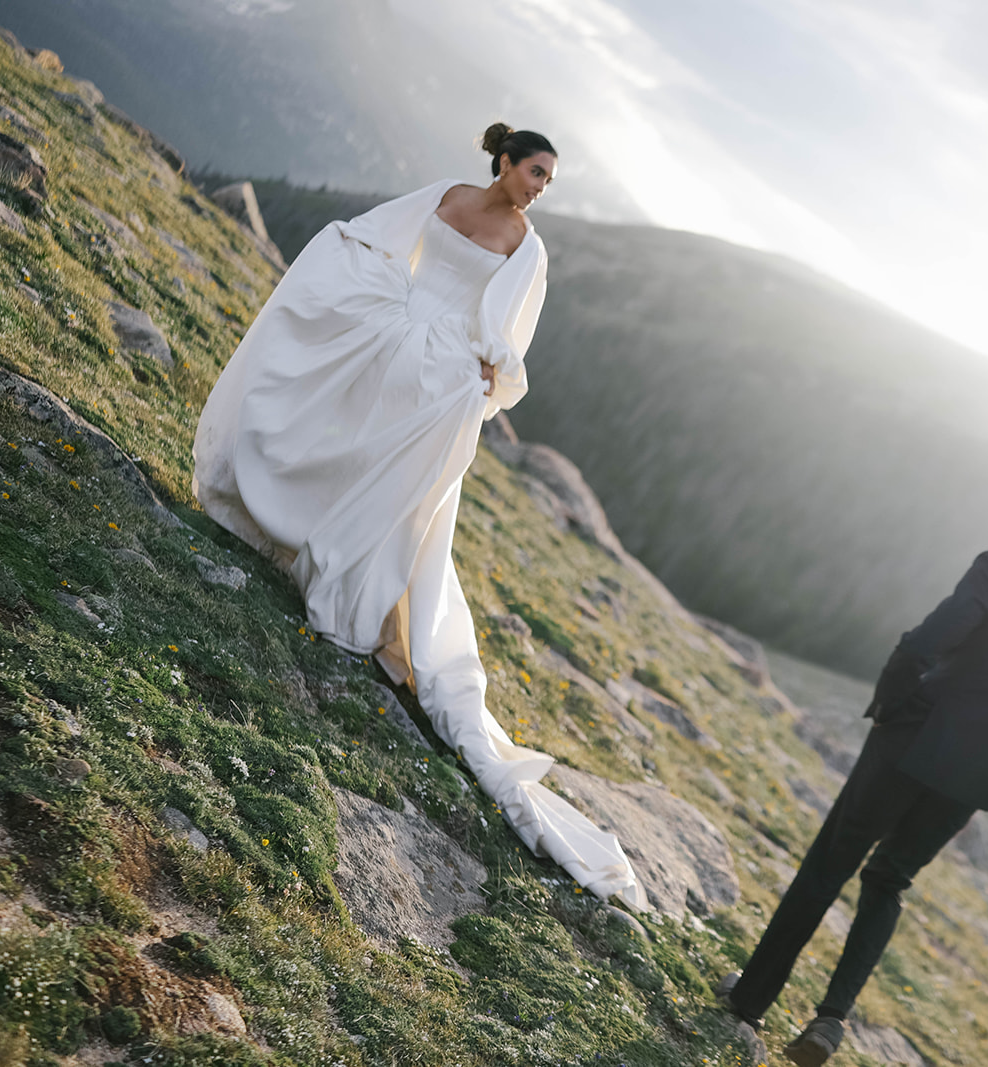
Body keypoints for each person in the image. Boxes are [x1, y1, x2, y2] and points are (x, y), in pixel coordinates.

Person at [192, 124, 647, 909]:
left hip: (437, 367)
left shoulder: (528, 249)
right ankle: (286, 520)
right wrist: (356, 285)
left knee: (391, 481)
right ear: (503, 162)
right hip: (391, 328)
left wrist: (484, 374)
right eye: (534, 171)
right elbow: (374, 236)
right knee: (334, 429)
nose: (540, 187)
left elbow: (509, 341)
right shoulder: (445, 196)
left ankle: (349, 579)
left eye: (549, 179)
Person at [719, 460, 988, 1066]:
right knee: (888, 882)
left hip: (909, 743)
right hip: (970, 778)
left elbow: (921, 644)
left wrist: (889, 712)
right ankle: (830, 1019)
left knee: (830, 863)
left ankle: (751, 999)